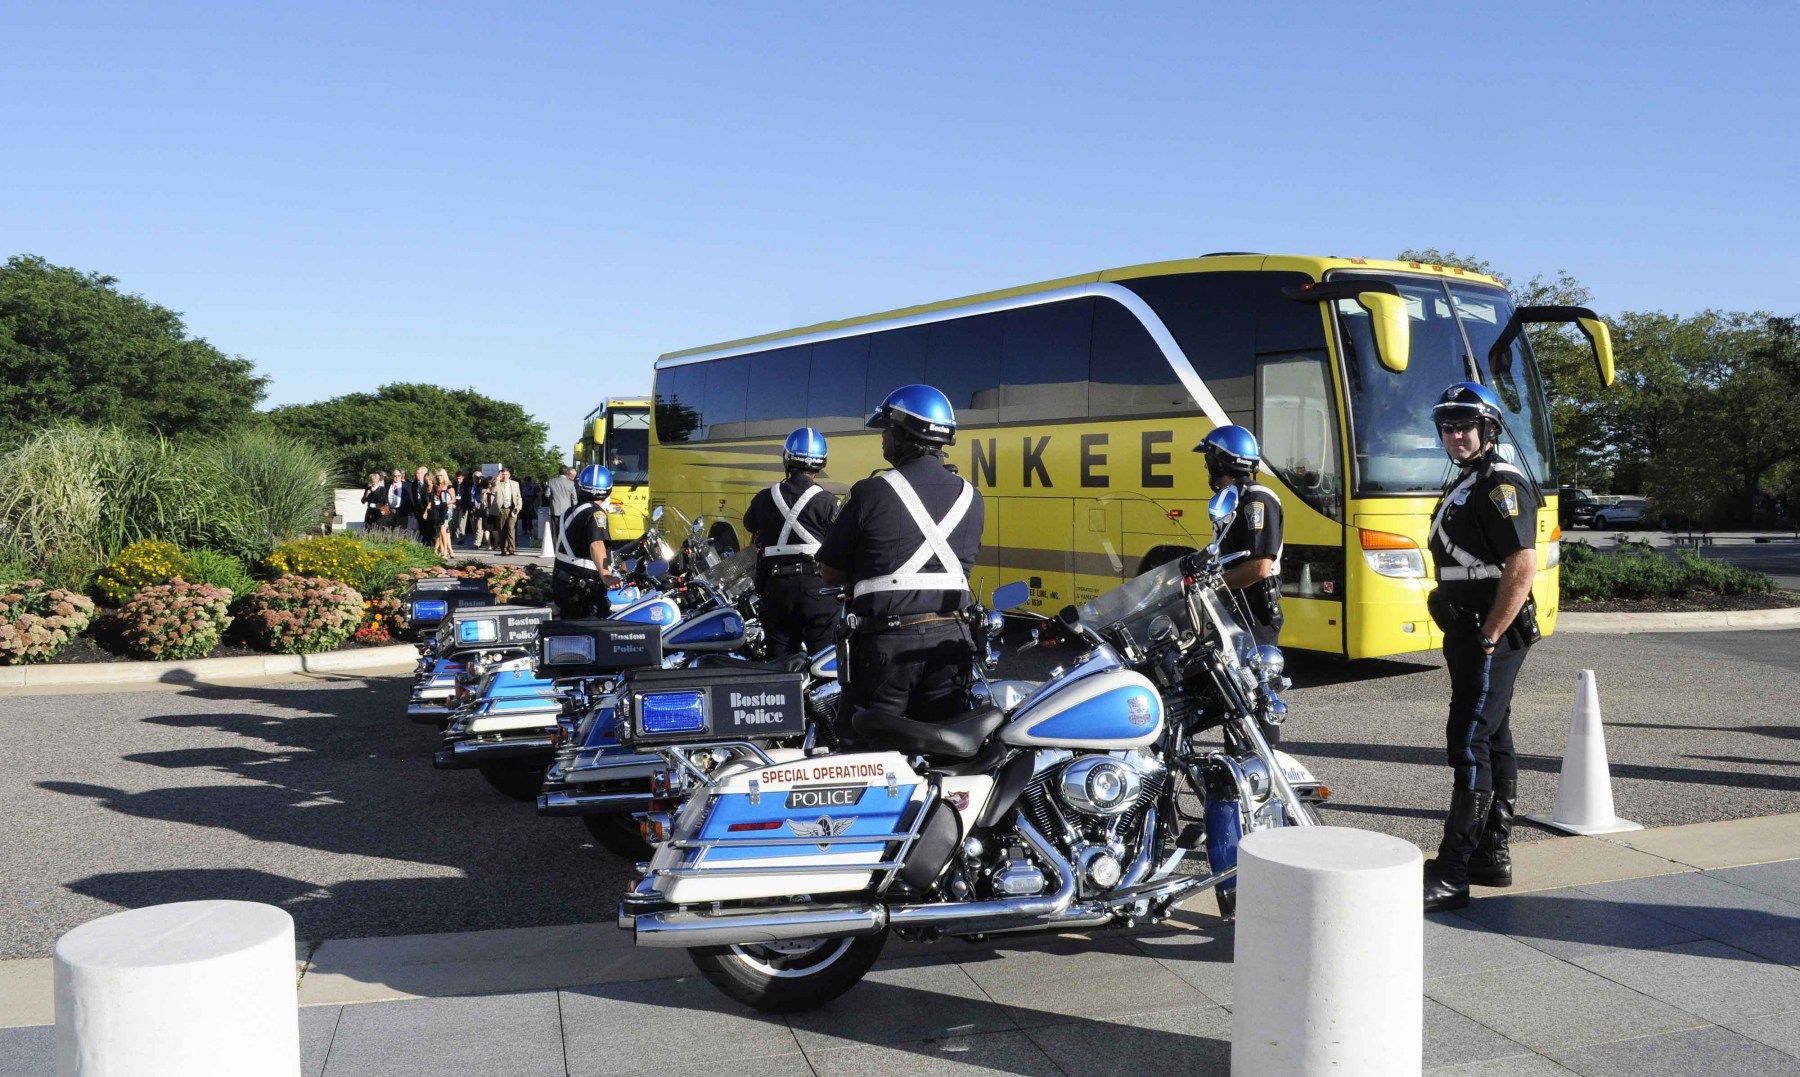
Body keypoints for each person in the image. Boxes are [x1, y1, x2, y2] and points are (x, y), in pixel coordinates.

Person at [1422, 381, 1543, 912]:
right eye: (1447, 426)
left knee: (1469, 738)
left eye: (1465, 424)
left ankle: (1452, 874)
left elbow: (1523, 565)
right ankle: (1491, 856)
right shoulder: (1469, 480)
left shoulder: (1501, 483)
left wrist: (1490, 633)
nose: (1455, 434)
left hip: (1487, 633)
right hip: (1470, 629)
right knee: (1494, 737)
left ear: (1489, 429)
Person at [819, 384, 984, 746]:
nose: (882, 440)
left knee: (864, 752)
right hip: (952, 644)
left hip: (887, 647)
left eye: (886, 431)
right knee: (946, 751)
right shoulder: (973, 497)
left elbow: (830, 571)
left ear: (904, 434)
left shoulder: (871, 491)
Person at [1195, 424, 1287, 745]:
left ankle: (1263, 764)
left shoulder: (1255, 500)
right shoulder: (1232, 499)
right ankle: (1240, 757)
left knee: (1255, 693)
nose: (1206, 466)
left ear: (1220, 462)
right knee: (1234, 692)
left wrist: (1213, 585)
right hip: (1236, 610)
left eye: (1209, 459)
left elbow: (1259, 567)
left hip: (1254, 611)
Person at [744, 428, 840, 657]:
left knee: (781, 666)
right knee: (824, 662)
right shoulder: (828, 501)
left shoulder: (764, 498)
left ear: (787, 459)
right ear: (821, 463)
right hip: (817, 591)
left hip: (777, 590)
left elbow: (750, 525)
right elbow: (839, 545)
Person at [553, 465, 617, 618]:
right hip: (583, 588)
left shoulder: (569, 512)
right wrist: (606, 575)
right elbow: (597, 544)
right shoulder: (596, 514)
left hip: (563, 581)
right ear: (608, 490)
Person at [490, 467, 523, 555]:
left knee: (511, 529)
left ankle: (511, 549)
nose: (504, 476)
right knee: (502, 530)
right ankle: (503, 549)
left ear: (509, 475)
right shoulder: (497, 483)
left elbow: (518, 496)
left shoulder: (515, 484)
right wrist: (496, 481)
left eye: (506, 474)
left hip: (512, 508)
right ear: (500, 475)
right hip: (501, 509)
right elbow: (492, 491)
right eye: (502, 474)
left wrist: (519, 506)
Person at [431, 468, 457, 558]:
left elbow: (454, 499)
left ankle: (445, 552)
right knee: (443, 532)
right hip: (438, 510)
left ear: (444, 476)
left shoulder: (449, 486)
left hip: (447, 510)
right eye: (437, 476)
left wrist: (446, 503)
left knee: (442, 529)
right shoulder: (436, 486)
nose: (439, 478)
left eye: (441, 475)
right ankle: (449, 551)